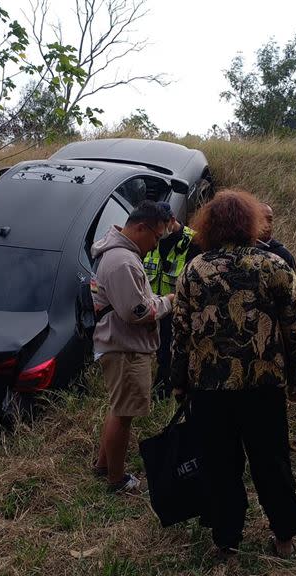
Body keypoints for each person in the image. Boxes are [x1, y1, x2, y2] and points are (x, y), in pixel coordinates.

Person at [170, 188, 296, 558]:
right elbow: (294, 328)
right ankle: (284, 537)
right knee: (272, 461)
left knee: (219, 464)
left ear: (209, 225)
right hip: (263, 385)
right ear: (250, 222)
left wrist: (179, 383)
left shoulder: (193, 270)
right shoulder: (275, 266)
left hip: (209, 387)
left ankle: (226, 539)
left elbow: (181, 333)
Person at [91, 200, 176, 493]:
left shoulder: (122, 256)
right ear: (141, 227)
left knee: (119, 409)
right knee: (123, 414)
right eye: (156, 236)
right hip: (125, 347)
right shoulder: (122, 261)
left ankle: (104, 465)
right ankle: (117, 480)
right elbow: (136, 312)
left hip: (121, 343)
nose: (156, 244)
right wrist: (168, 302)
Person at [143, 213, 201, 398]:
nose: (160, 232)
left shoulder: (193, 241)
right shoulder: (152, 236)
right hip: (154, 305)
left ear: (172, 219)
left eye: (163, 225)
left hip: (178, 306)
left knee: (172, 349)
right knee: (159, 348)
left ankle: (166, 389)